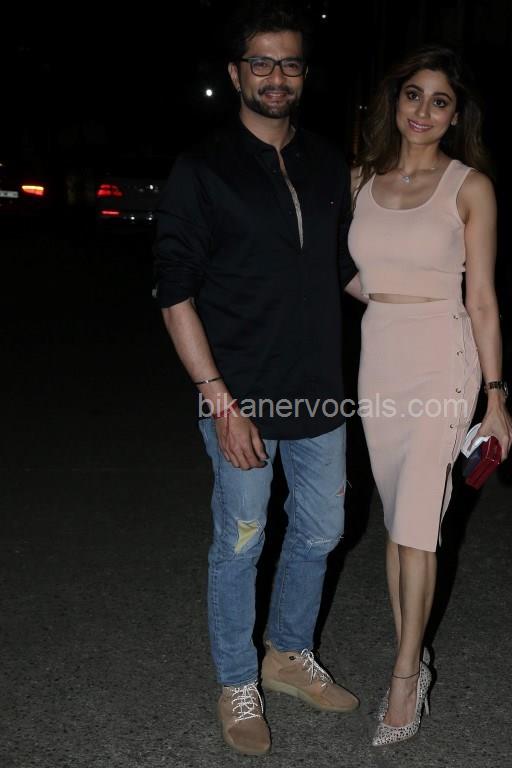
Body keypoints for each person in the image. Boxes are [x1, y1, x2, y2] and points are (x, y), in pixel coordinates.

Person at [153, 3, 359, 757]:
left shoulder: (328, 163)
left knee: (322, 529)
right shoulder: (203, 168)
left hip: (320, 391)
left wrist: (431, 303)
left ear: (304, 74)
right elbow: (174, 292)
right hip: (239, 393)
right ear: (237, 72)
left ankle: (287, 654)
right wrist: (218, 400)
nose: (277, 76)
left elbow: (344, 271)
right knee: (241, 541)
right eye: (262, 63)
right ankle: (237, 679)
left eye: (290, 63)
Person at [345, 45, 512, 746]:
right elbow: (344, 270)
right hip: (379, 355)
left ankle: (405, 675)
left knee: (418, 522)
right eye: (413, 94)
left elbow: (483, 300)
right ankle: (410, 654)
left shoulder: (469, 187)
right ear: (395, 100)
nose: (422, 110)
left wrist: (496, 398)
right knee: (398, 521)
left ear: (455, 115)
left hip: (444, 357)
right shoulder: (361, 179)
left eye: (438, 101)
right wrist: (384, 298)